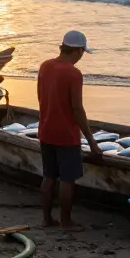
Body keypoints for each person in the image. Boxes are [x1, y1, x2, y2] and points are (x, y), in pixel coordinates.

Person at [37, 30, 102, 231]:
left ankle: (47, 219)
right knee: (67, 180)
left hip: (46, 130)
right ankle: (66, 222)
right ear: (78, 50)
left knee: (49, 177)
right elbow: (77, 109)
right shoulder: (73, 73)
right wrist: (91, 141)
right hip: (66, 135)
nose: (82, 55)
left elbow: (41, 97)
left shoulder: (45, 66)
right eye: (82, 51)